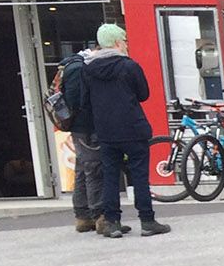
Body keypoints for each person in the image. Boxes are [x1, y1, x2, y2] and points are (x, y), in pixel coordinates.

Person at [84, 24, 171, 239]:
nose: (126, 44)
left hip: (106, 131)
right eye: (124, 41)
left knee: (110, 177)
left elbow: (85, 100)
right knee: (139, 175)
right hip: (133, 128)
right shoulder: (129, 66)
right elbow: (143, 94)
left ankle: (112, 222)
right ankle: (147, 221)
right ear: (116, 43)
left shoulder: (89, 69)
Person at [59, 39, 107, 233]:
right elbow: (76, 101)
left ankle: (82, 216)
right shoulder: (79, 68)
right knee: (94, 169)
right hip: (85, 126)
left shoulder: (75, 65)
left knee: (83, 168)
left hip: (80, 126)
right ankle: (100, 216)